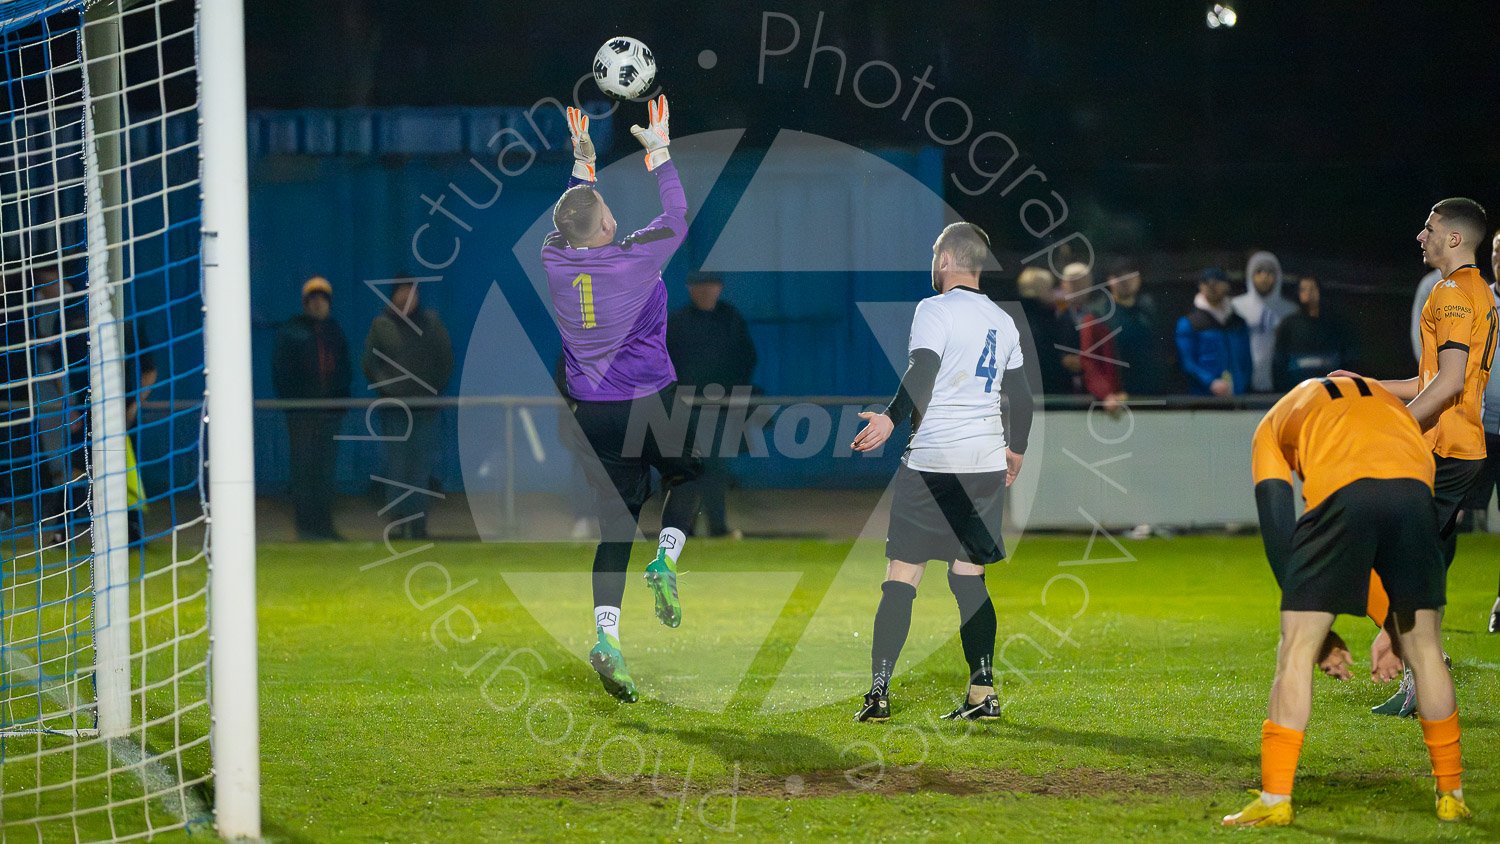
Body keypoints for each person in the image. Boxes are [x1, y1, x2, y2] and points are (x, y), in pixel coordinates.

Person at [1223, 375, 1469, 827]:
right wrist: (1391, 627)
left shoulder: (1274, 424)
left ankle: (1276, 799)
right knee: (1426, 651)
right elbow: (1393, 499)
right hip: (1416, 492)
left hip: (1344, 490)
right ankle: (1451, 793)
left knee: (1294, 649)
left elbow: (1281, 532)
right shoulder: (1384, 403)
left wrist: (1320, 637)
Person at [543, 98, 701, 703]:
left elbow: (572, 221)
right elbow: (678, 214)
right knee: (687, 478)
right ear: (606, 226)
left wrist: (583, 163)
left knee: (614, 528)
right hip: (649, 399)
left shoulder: (554, 259)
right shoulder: (635, 256)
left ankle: (607, 639)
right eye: (606, 208)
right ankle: (666, 558)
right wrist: (658, 151)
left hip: (593, 413)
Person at [849, 222, 1035, 723]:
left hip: (934, 462)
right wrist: (1015, 450)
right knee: (968, 577)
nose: (933, 262)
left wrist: (890, 415)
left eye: (936, 254)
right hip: (985, 463)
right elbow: (1020, 396)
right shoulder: (1003, 320)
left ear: (950, 258)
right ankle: (983, 694)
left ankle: (879, 692)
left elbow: (923, 370)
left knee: (902, 578)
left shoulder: (933, 309)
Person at [1333, 197, 1497, 716]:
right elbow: (1430, 381)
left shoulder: (1450, 293)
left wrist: (1396, 425)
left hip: (1446, 451)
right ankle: (1422, 677)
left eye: (1429, 227)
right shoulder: (1476, 292)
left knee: (1388, 560)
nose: (1420, 236)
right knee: (1417, 568)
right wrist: (1367, 387)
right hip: (1459, 448)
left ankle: (1419, 668)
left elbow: (1447, 386)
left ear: (1453, 239)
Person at [666, 273, 757, 539]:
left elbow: (747, 358)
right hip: (684, 410)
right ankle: (683, 530)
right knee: (685, 473)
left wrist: (733, 393)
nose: (706, 291)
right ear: (690, 288)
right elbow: (663, 364)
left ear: (719, 288)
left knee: (716, 470)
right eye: (700, 286)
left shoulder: (731, 320)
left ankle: (717, 528)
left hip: (722, 410)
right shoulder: (677, 323)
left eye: (711, 286)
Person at [362, 276, 453, 540]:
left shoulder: (432, 325)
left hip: (425, 410)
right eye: (401, 293)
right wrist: (388, 390)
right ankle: (399, 522)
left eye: (411, 294)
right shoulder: (381, 326)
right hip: (394, 411)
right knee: (398, 466)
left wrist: (431, 390)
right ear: (393, 297)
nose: (406, 299)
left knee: (420, 469)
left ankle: (418, 524)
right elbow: (369, 363)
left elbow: (445, 360)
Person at [273, 276, 353, 540]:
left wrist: (340, 402)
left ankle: (324, 525)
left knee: (325, 472)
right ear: (306, 303)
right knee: (304, 472)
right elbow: (281, 372)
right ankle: (305, 526)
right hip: (302, 416)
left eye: (323, 299)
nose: (319, 304)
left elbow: (344, 370)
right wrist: (294, 405)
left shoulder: (335, 332)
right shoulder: (292, 332)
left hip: (329, 415)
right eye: (314, 299)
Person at [1175, 267, 1252, 396]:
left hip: (1237, 397)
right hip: (1204, 398)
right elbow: (1187, 363)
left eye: (1217, 283)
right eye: (1207, 283)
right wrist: (1210, 382)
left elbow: (1246, 360)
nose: (1212, 287)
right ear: (1200, 286)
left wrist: (1241, 384)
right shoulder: (1189, 323)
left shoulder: (1238, 322)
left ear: (1226, 286)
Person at [1271, 276, 1356, 392]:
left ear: (1320, 291)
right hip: (1297, 391)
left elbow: (1346, 357)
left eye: (1312, 289)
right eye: (1303, 289)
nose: (1308, 293)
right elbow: (1279, 362)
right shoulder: (1289, 324)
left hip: (1330, 390)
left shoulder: (1335, 324)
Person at [1233, 250, 1298, 393]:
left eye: (1270, 272)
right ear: (1251, 275)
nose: (1264, 277)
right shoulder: (1237, 306)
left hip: (1280, 381)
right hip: (1245, 381)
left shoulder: (1290, 310)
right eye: (1259, 272)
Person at [1015, 266, 1067, 395]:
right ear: (1038, 291)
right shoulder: (1043, 321)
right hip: (1046, 390)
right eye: (1050, 288)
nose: (1054, 292)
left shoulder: (1016, 316)